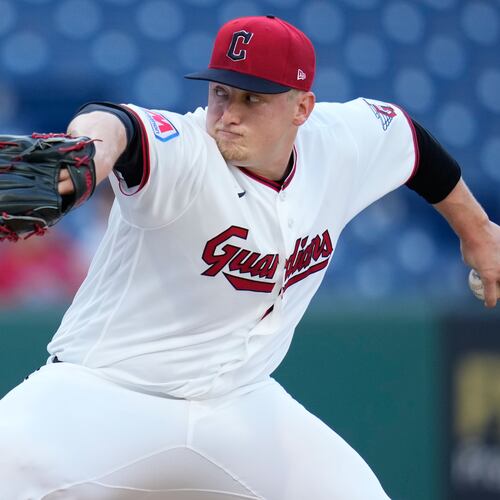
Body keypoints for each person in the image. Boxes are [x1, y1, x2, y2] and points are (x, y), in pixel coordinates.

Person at [0, 14, 499, 500]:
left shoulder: (341, 142)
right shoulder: (187, 152)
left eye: (252, 99)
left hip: (241, 405)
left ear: (302, 108)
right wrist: (91, 148)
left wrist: (478, 234)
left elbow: (409, 142)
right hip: (104, 396)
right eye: (221, 92)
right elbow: (122, 126)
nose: (229, 113)